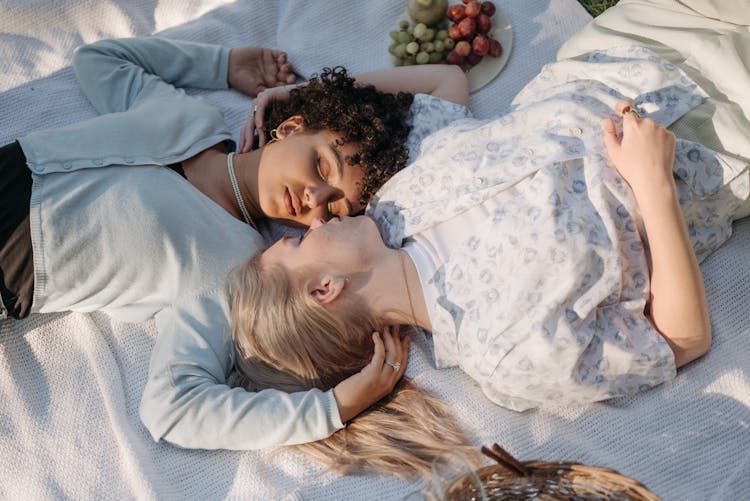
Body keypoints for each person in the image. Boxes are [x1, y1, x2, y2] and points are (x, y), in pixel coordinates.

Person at [229, 45, 750, 478]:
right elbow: (680, 340)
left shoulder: (394, 202)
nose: (315, 220)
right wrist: (652, 184)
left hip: (631, 49)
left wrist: (303, 96)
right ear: (324, 289)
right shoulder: (506, 352)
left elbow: (442, 87)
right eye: (296, 243)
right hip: (719, 135)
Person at [0, 36, 471, 451]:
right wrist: (225, 66)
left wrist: (333, 408)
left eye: (331, 209)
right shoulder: (192, 120)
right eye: (323, 168)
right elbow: (100, 58)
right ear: (289, 128)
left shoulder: (229, 268)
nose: (313, 200)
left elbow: (172, 407)